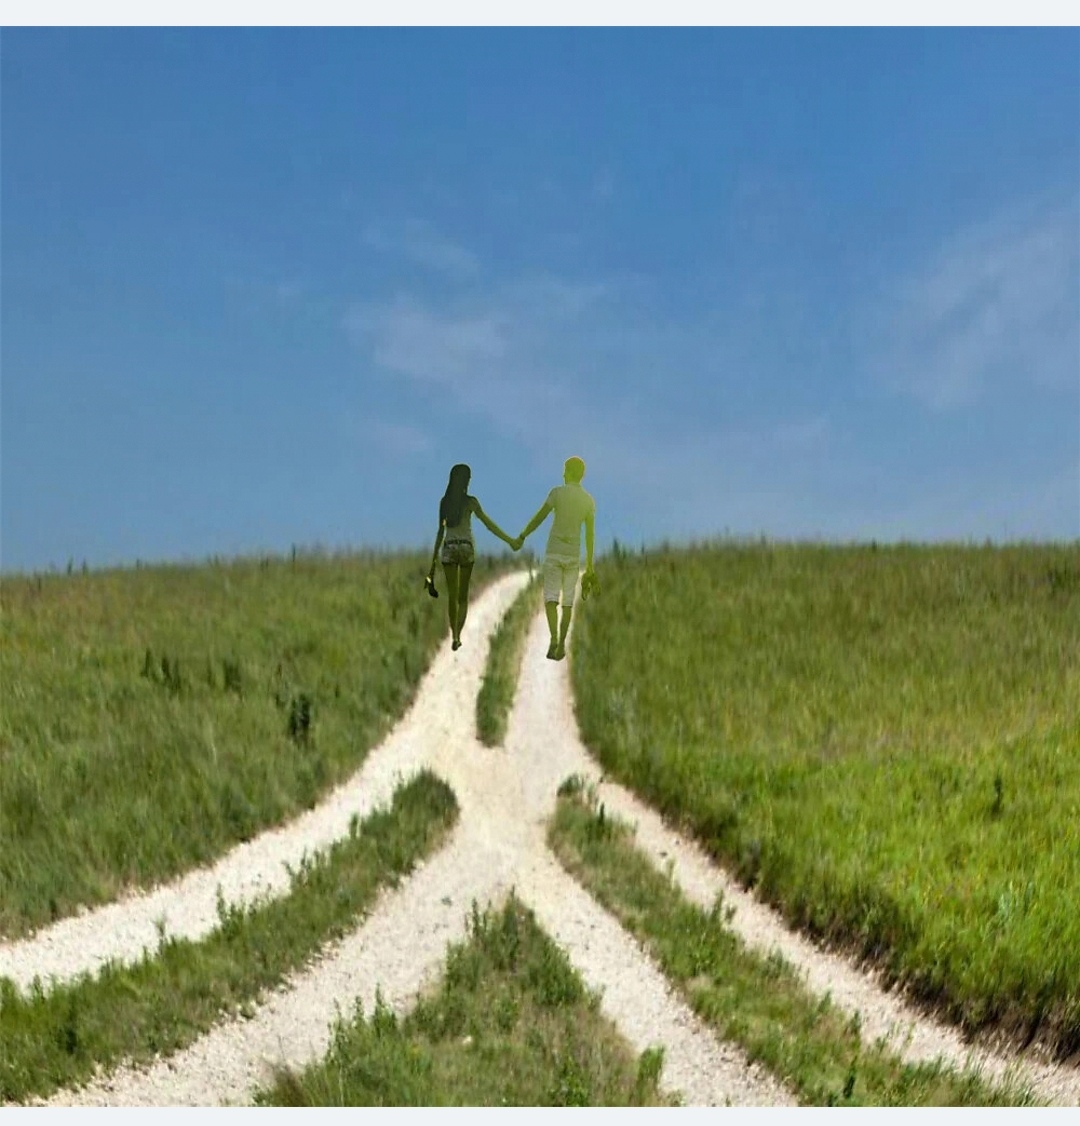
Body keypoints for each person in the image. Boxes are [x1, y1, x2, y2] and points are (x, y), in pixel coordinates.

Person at [513, 456, 596, 661]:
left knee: (551, 598)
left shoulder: (557, 493)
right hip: (573, 554)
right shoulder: (588, 500)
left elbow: (540, 517)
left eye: (565, 470)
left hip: (554, 551)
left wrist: (523, 535)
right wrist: (590, 565)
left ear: (569, 472)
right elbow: (589, 535)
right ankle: (562, 644)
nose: (563, 473)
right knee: (568, 602)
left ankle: (554, 638)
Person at [427, 463, 517, 651]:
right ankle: (458, 635)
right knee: (463, 596)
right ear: (465, 481)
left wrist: (432, 567)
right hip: (466, 548)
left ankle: (454, 635)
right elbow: (489, 525)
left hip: (449, 547)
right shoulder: (471, 502)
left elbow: (440, 533)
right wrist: (509, 540)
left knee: (452, 596)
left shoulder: (445, 503)